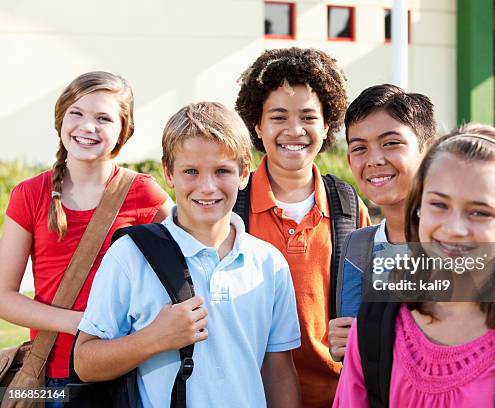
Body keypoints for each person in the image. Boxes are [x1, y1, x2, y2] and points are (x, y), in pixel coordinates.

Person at [333, 124, 495, 407]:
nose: (454, 228)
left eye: (479, 212)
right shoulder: (376, 322)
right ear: (418, 207)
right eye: (439, 204)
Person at [73, 101, 301, 408]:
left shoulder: (268, 263)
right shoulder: (129, 256)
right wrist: (155, 338)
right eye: (190, 171)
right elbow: (85, 362)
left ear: (244, 172)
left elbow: (279, 373)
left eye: (222, 171)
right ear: (169, 172)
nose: (207, 187)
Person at [0, 71, 171, 397]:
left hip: (124, 371)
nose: (87, 127)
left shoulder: (143, 192)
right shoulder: (29, 194)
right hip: (51, 377)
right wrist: (82, 323)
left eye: (103, 118)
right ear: (60, 120)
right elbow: (4, 297)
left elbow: (193, 246)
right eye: (76, 113)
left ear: (123, 130)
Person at [234, 47, 371, 407]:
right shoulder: (231, 205)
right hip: (250, 395)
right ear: (257, 125)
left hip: (337, 394)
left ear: (327, 126)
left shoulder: (348, 207)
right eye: (278, 117)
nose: (294, 130)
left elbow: (378, 303)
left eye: (308, 117)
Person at [328, 84, 437, 362]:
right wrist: (346, 344)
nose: (374, 160)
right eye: (360, 148)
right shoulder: (358, 246)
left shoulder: (460, 244)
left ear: (429, 151)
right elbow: (350, 345)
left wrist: (372, 337)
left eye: (391, 143)